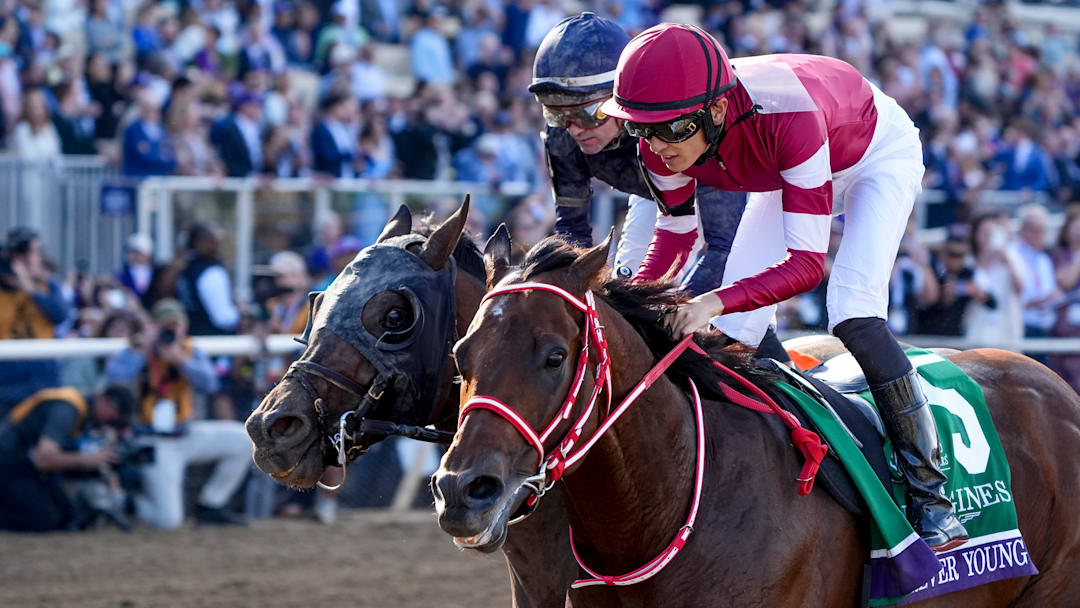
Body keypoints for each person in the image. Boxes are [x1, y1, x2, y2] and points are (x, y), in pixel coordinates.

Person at [601, 24, 967, 551]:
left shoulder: (787, 118)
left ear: (719, 112)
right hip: (781, 166)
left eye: (673, 129)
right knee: (734, 335)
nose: (656, 146)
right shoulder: (662, 140)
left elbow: (805, 267)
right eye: (641, 129)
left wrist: (707, 299)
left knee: (853, 313)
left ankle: (931, 498)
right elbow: (676, 236)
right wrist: (625, 300)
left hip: (871, 154)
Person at [528, 13, 757, 339]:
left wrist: (676, 308)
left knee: (732, 327)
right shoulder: (562, 137)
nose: (574, 129)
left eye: (587, 113)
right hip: (659, 199)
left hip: (726, 188)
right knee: (627, 299)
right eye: (556, 113)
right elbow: (573, 234)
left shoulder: (664, 112)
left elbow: (721, 246)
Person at [104, 299, 251, 528]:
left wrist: (181, 360)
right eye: (166, 327)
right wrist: (144, 351)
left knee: (246, 439)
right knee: (168, 522)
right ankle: (126, 503)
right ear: (152, 327)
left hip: (187, 433)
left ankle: (211, 505)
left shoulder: (190, 351)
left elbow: (211, 385)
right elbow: (115, 380)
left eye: (177, 326)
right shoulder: (136, 350)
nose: (172, 332)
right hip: (153, 441)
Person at [0, 229, 71, 408]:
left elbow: (60, 315)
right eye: (24, 254)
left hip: (44, 379)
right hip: (7, 380)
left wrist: (30, 288)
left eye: (36, 252)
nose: (32, 259)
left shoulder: (47, 286)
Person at [1010, 205, 1062, 364]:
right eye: (1037, 230)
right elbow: (1017, 298)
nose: (1042, 235)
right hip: (1021, 328)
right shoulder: (1011, 254)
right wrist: (1041, 301)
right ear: (1024, 230)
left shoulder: (1043, 259)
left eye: (1043, 230)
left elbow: (1050, 293)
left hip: (1042, 329)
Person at [173, 224, 240, 336]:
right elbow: (223, 318)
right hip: (213, 343)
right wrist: (240, 313)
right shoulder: (212, 272)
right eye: (213, 240)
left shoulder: (183, 269)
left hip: (188, 339)